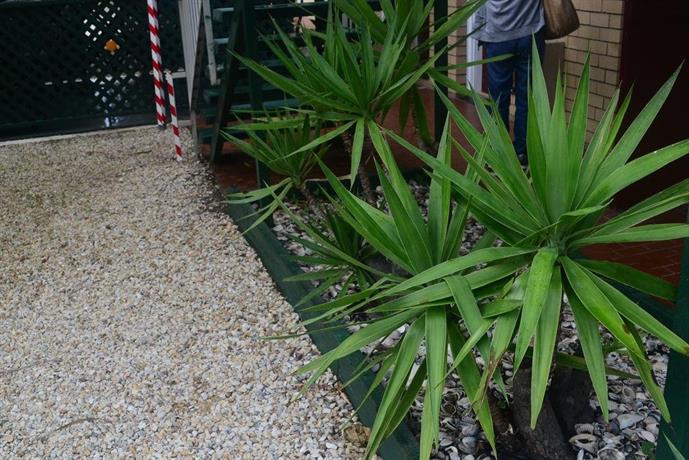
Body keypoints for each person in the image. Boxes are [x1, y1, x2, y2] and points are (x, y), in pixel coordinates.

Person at [474, 0, 546, 165]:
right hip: (530, 33)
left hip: (497, 34)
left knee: (498, 98)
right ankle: (523, 153)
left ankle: (500, 155)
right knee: (527, 97)